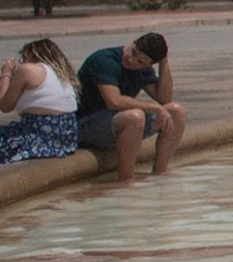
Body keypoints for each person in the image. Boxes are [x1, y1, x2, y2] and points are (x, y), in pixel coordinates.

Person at [75, 32, 187, 186]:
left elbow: (165, 98)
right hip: (85, 124)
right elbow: (114, 101)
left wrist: (164, 63)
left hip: (116, 123)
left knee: (176, 111)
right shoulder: (105, 60)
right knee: (134, 117)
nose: (131, 60)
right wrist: (155, 108)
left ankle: (160, 172)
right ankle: (126, 180)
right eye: (133, 52)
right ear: (133, 42)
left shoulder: (143, 69)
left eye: (140, 62)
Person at [0, 38, 80, 177]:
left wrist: (6, 73)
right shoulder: (61, 73)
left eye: (23, 57)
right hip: (64, 140)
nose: (22, 62)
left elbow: (5, 105)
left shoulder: (28, 69)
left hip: (38, 140)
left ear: (31, 53)